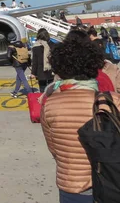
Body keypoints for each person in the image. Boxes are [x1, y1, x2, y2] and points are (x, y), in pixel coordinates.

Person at [40, 35, 120, 202]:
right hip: (112, 182)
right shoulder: (112, 101)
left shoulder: (49, 104)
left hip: (72, 186)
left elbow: (53, 148)